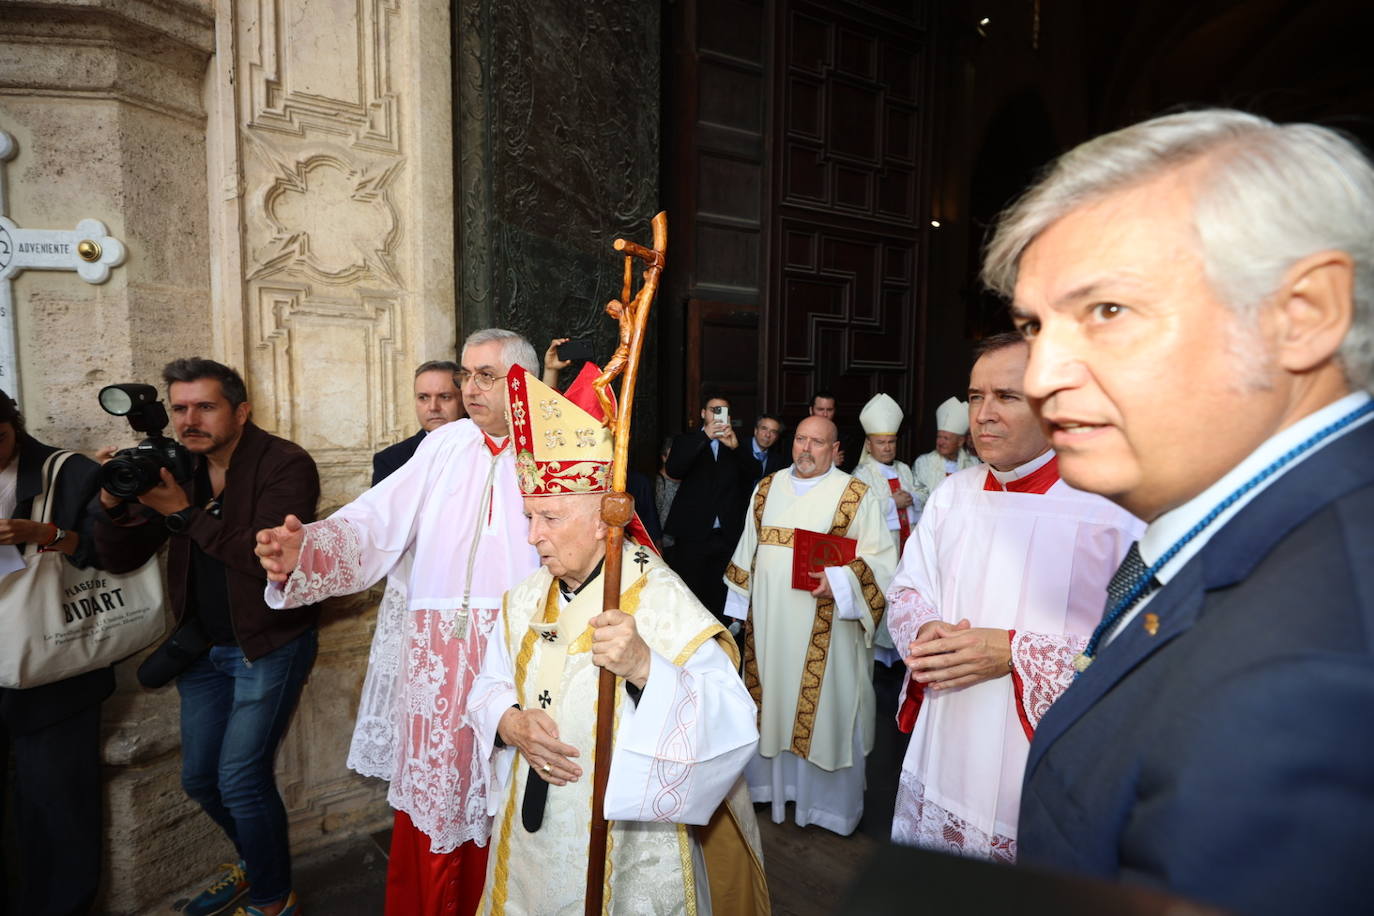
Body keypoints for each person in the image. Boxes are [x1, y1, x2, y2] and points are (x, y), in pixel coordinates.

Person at [984, 109, 1374, 913]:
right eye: (1034, 324)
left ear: (1301, 315)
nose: (1042, 373)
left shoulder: (1309, 675)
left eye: (1107, 312)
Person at [253, 329, 542, 916]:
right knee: (440, 799)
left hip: (519, 649)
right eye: (466, 374)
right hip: (438, 658)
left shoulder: (555, 450)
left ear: (522, 382)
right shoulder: (442, 446)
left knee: (508, 794)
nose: (470, 388)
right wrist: (304, 550)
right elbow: (374, 522)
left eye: (486, 375)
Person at [466, 367, 766, 915]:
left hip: (626, 848)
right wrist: (509, 722)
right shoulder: (525, 598)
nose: (533, 536)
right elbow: (486, 685)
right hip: (527, 840)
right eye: (529, 515)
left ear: (606, 517)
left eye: (550, 517)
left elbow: (733, 720)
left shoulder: (659, 599)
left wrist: (647, 667)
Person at [884, 334, 1142, 861]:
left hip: (1046, 756)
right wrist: (925, 630)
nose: (983, 414)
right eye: (976, 397)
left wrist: (1014, 653)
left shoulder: (1113, 508)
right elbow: (909, 586)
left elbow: (1141, 646)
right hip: (949, 737)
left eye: (1006, 397)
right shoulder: (953, 496)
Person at [93, 359, 320, 916]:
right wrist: (112, 504)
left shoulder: (285, 464)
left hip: (266, 644)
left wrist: (184, 513)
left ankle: (272, 900)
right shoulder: (176, 467)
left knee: (240, 778)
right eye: (179, 408)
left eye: (205, 406)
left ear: (241, 411)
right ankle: (257, 864)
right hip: (200, 647)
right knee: (200, 778)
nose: (189, 420)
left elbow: (264, 555)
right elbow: (119, 556)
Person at [723, 416, 898, 835]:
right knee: (770, 701)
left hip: (829, 632)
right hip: (767, 628)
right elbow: (747, 551)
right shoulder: (766, 488)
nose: (805, 449)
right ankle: (768, 791)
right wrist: (735, 617)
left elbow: (883, 563)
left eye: (817, 442)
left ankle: (825, 808)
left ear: (835, 449)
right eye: (800, 439)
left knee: (826, 713)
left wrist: (841, 581)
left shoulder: (855, 495)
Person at [0, 391, 106, 915]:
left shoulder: (69, 473)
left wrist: (48, 534)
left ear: (14, 427)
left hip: (52, 669)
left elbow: (114, 550)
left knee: (59, 802)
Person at [663, 393, 746, 620]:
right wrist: (705, 438)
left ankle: (721, 643)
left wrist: (735, 448)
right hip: (693, 534)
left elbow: (752, 476)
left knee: (720, 594)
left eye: (723, 410)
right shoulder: (686, 441)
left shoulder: (736, 443)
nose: (717, 414)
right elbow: (674, 470)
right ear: (703, 414)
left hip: (725, 534)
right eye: (713, 409)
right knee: (690, 593)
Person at [851, 394, 919, 666]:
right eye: (881, 443)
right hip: (882, 552)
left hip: (907, 547)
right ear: (869, 444)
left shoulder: (904, 468)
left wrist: (913, 498)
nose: (888, 448)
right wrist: (892, 503)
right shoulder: (861, 474)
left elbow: (921, 492)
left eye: (891, 442)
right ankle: (879, 659)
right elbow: (859, 511)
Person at [372, 360, 465, 485]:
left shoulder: (486, 450)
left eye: (445, 397)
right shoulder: (391, 460)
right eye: (423, 397)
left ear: (464, 400)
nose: (433, 407)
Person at [909, 396, 976, 511]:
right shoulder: (923, 462)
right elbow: (918, 492)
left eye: (946, 438)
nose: (940, 442)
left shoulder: (973, 464)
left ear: (960, 441)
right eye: (939, 437)